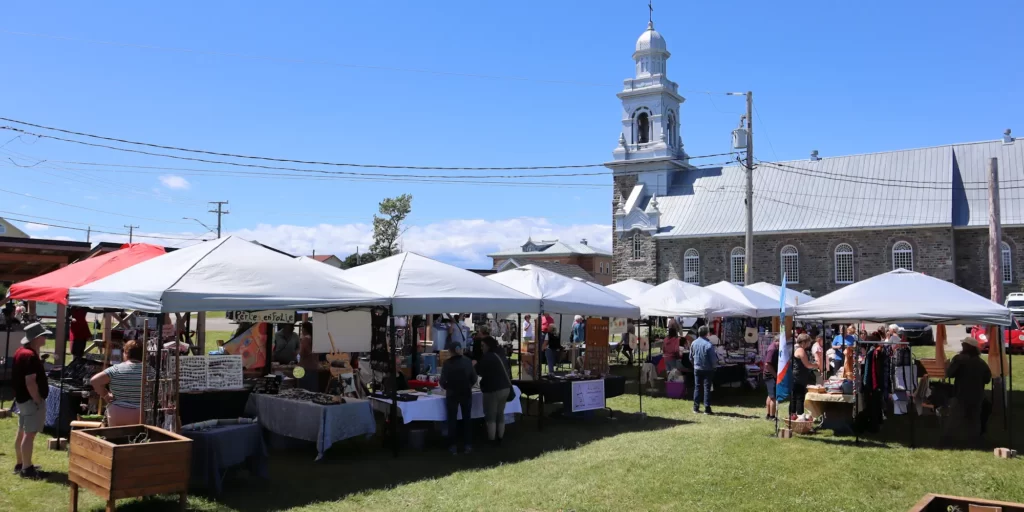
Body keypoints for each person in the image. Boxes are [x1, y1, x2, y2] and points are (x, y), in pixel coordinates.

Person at [12, 322, 51, 479]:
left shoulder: (21, 352)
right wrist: (37, 400)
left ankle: (21, 463)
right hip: (29, 400)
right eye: (43, 336)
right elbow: (30, 382)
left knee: (22, 431)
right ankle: (27, 469)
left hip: (22, 399)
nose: (46, 338)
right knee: (29, 434)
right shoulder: (29, 356)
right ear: (36, 338)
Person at [944, 336, 992, 444]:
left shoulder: (958, 359)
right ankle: (975, 439)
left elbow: (949, 374)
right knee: (974, 418)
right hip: (977, 395)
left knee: (956, 417)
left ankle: (950, 438)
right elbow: (987, 379)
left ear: (966, 347)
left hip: (961, 394)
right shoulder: (981, 363)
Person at [90, 340, 146, 426]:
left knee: (115, 437)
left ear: (126, 353)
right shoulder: (149, 370)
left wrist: (105, 395)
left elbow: (94, 380)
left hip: (117, 412)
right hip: (141, 414)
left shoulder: (116, 369)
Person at [439, 341, 477, 454]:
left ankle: (453, 446)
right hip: (466, 392)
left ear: (450, 351)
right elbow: (474, 378)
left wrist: (448, 387)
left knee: (452, 420)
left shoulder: (447, 364)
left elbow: (442, 382)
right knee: (467, 419)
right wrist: (468, 386)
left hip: (452, 394)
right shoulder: (468, 362)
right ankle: (468, 445)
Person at [475, 332, 512, 445]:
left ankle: (491, 440)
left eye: (483, 346)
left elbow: (480, 372)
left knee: (490, 415)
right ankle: (500, 438)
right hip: (505, 387)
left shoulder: (488, 357)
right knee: (500, 414)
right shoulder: (500, 353)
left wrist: (475, 365)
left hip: (493, 389)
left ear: (488, 345)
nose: (481, 348)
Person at [689, 326, 717, 415]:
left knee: (697, 387)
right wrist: (714, 367)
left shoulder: (693, 343)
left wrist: (694, 364)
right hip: (707, 369)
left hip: (697, 368)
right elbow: (713, 359)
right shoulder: (708, 345)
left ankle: (695, 407)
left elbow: (690, 357)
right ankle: (707, 408)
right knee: (707, 388)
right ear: (706, 333)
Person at [791, 334, 815, 417]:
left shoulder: (797, 348)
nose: (809, 344)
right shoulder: (800, 350)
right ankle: (800, 415)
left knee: (795, 396)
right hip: (798, 376)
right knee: (799, 397)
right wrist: (816, 365)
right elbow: (807, 365)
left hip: (797, 375)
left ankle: (793, 414)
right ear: (804, 342)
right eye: (808, 342)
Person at [297, 321, 319, 392]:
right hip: (314, 366)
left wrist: (297, 352)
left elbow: (303, 353)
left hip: (305, 367)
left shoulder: (305, 339)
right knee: (312, 390)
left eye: (302, 329)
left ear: (304, 329)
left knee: (303, 390)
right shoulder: (315, 339)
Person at [763, 335, 780, 420]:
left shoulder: (774, 348)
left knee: (770, 395)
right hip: (770, 375)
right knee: (773, 396)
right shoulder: (772, 349)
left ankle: (769, 414)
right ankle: (772, 416)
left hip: (769, 375)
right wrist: (775, 375)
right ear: (777, 341)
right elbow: (767, 364)